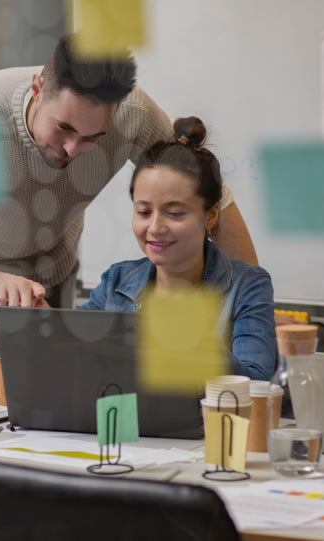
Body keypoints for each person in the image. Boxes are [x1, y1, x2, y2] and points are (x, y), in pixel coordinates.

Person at [0, 35, 258, 395]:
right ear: (38, 88)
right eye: (64, 129)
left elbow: (212, 202)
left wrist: (251, 303)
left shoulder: (133, 115)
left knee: (55, 420)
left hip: (53, 290)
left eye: (93, 137)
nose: (72, 149)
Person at [80, 117, 276, 381]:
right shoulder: (116, 281)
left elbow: (256, 383)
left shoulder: (248, 286)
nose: (155, 227)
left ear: (211, 216)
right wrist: (37, 316)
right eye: (143, 211)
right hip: (128, 420)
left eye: (174, 213)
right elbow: (73, 352)